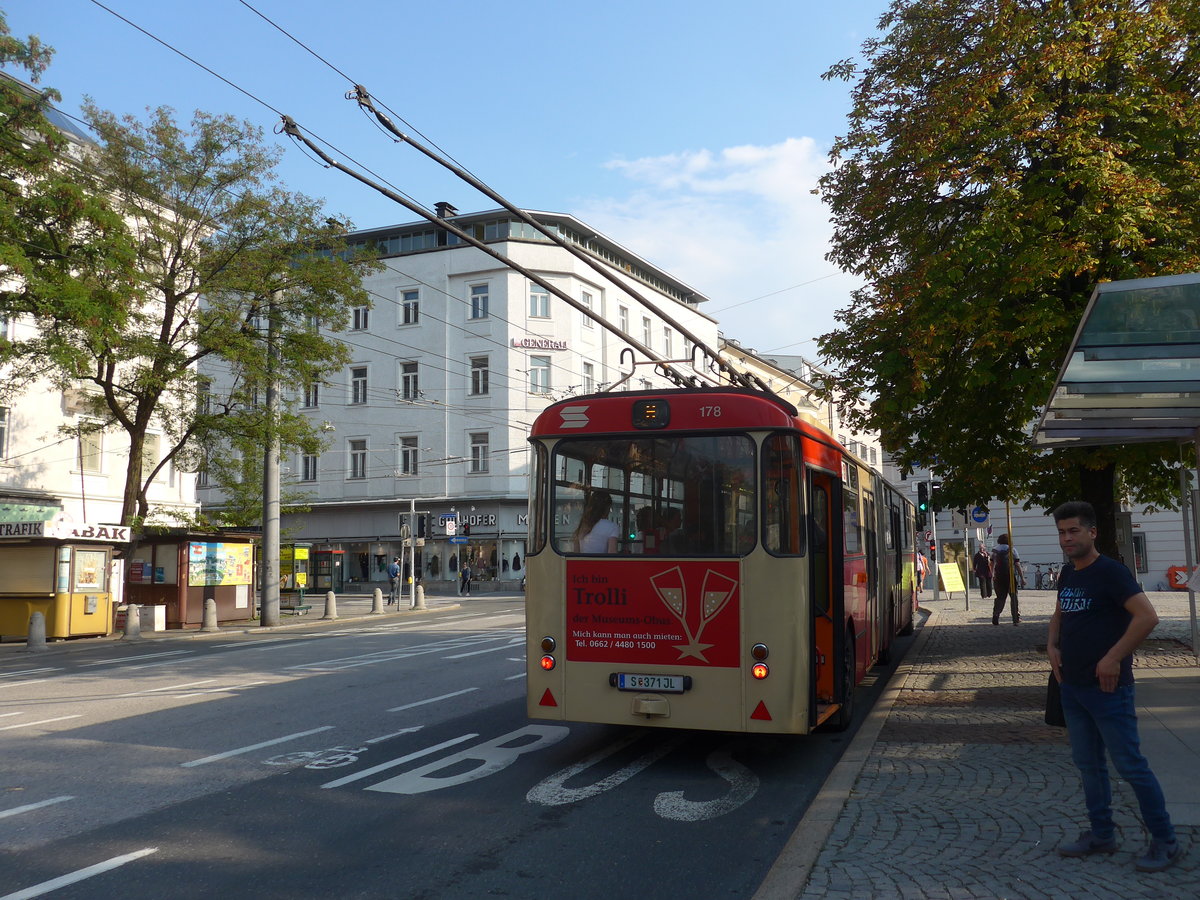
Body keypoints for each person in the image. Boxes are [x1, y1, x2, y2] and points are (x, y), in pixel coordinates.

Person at [1048, 501, 1179, 872]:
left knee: (1130, 766)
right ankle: (1102, 834)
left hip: (1108, 690)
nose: (1067, 538)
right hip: (1072, 687)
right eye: (1061, 532)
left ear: (1092, 532)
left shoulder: (1111, 573)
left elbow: (1147, 616)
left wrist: (1113, 657)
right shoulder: (1068, 573)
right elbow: (1060, 613)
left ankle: (1166, 841)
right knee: (1088, 765)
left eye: (1073, 531)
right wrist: (1052, 645)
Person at [991, 534, 1021, 625]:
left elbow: (991, 563)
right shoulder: (1012, 549)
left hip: (999, 577)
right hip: (1010, 576)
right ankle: (1015, 617)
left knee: (1000, 597)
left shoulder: (995, 550)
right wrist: (1022, 577)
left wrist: (993, 574)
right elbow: (1017, 564)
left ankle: (996, 614)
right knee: (1014, 597)